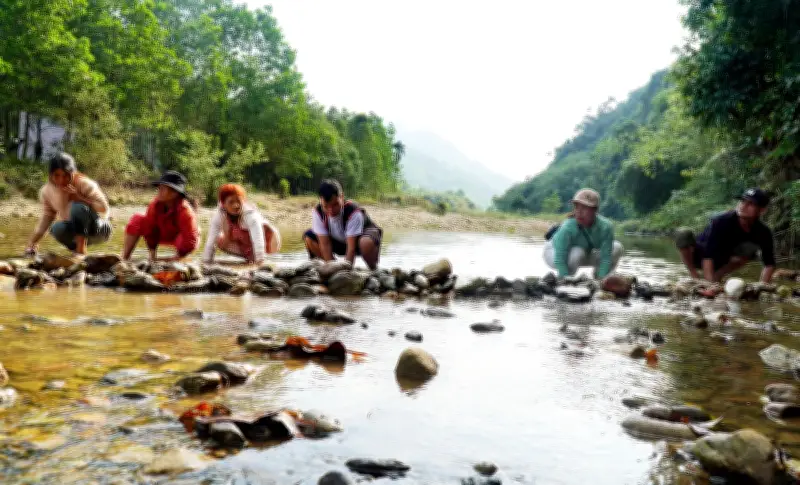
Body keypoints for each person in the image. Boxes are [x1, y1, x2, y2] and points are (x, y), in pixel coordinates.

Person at [675, 188, 776, 284]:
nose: (743, 206)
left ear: (762, 210)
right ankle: (694, 276)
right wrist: (709, 285)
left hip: (723, 260)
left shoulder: (763, 232)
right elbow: (708, 256)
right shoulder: (721, 221)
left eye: (750, 204)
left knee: (750, 250)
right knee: (683, 233)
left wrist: (762, 285)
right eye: (742, 201)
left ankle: (717, 276)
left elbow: (769, 264)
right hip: (700, 255)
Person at [25, 152, 111, 256]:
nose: (61, 180)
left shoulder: (84, 183)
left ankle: (81, 250)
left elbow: (103, 209)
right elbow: (46, 219)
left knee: (77, 207)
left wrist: (80, 198)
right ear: (50, 175)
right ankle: (76, 250)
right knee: (56, 228)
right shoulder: (46, 191)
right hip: (76, 230)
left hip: (99, 228)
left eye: (66, 175)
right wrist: (32, 243)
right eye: (57, 175)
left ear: (73, 173)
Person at [543, 188, 624, 278]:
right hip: (554, 252)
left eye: (584, 208)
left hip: (586, 252)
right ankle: (567, 279)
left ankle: (598, 277)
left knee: (617, 247)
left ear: (595, 210)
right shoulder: (568, 227)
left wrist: (601, 281)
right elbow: (560, 259)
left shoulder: (606, 227)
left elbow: (606, 258)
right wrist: (564, 279)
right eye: (577, 207)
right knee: (578, 252)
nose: (579, 212)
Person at [303, 179, 383, 270]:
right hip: (339, 242)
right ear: (320, 201)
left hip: (360, 240)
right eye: (326, 206)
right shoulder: (318, 212)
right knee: (309, 237)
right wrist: (333, 271)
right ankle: (329, 267)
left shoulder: (353, 211)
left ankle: (374, 269)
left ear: (341, 196)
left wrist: (346, 272)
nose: (331, 210)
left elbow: (351, 249)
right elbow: (325, 245)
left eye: (335, 205)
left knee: (365, 242)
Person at [122, 171, 200, 262]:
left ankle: (179, 258)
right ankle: (124, 258)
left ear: (174, 193)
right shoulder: (154, 205)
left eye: (163, 188)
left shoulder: (186, 211)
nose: (159, 190)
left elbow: (190, 241)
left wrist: (178, 257)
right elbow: (150, 230)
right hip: (163, 233)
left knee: (189, 237)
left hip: (182, 239)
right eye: (159, 188)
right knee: (137, 219)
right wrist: (152, 255)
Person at [202, 183, 281, 265]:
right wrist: (206, 262)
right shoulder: (219, 215)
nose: (236, 205)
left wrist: (260, 262)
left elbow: (258, 239)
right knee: (219, 240)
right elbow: (210, 242)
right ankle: (251, 259)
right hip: (245, 246)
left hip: (269, 242)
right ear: (224, 204)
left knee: (259, 256)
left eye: (238, 201)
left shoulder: (250, 214)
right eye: (231, 202)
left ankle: (259, 259)